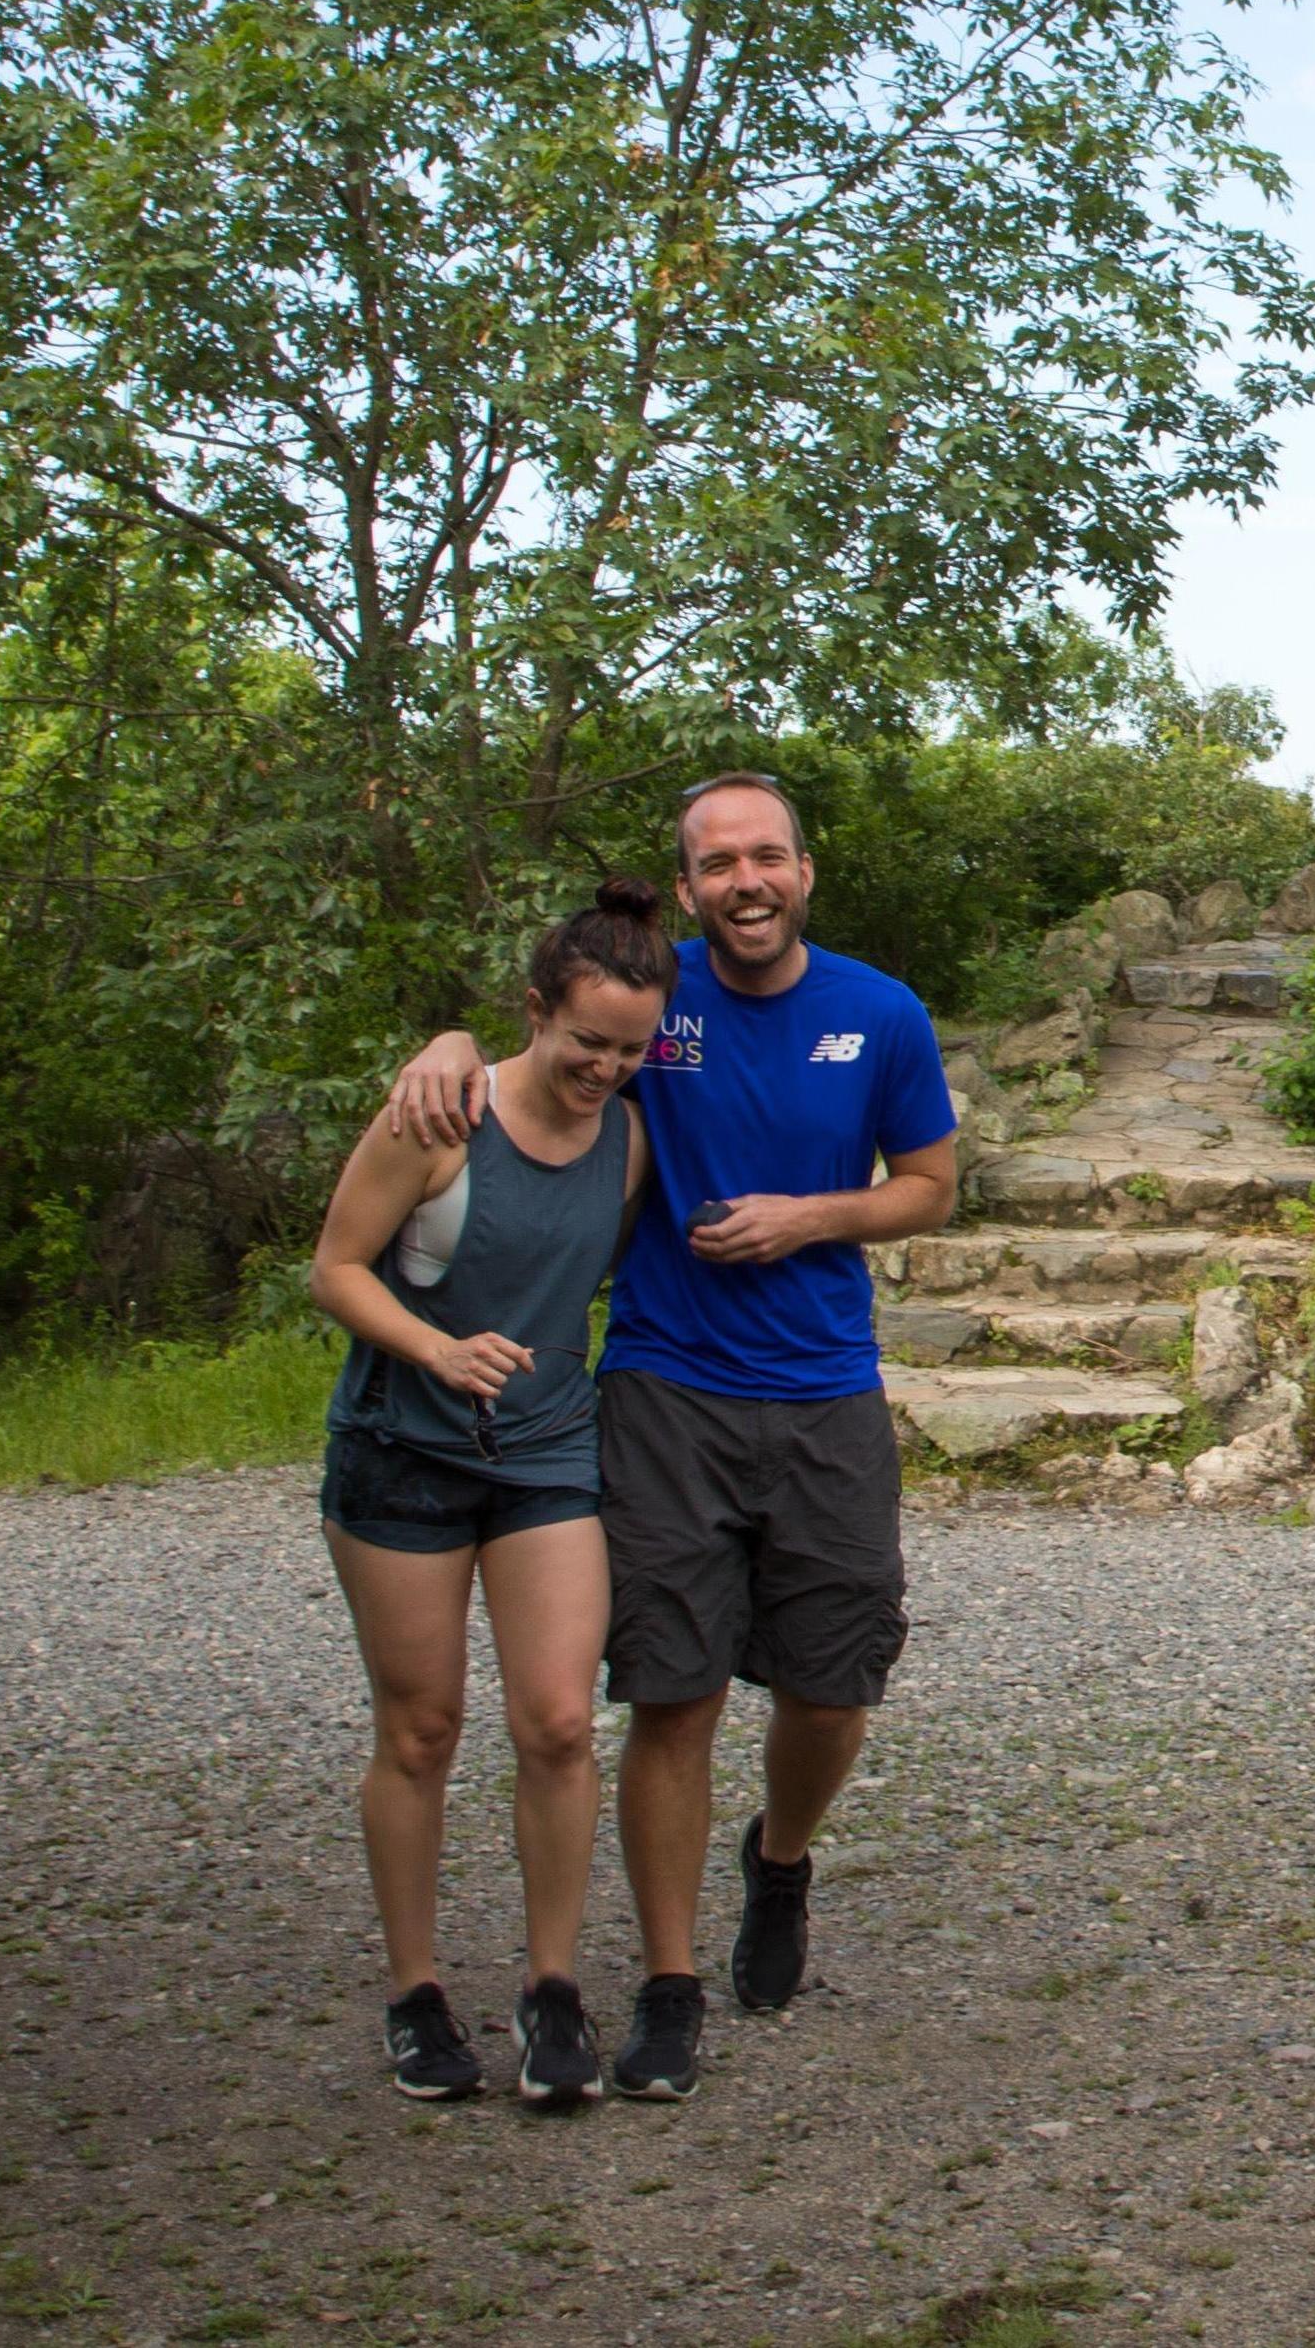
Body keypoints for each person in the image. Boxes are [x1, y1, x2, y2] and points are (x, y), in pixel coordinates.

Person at [382, 773, 957, 2104]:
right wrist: (447, 1038)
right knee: (673, 1691)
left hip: (822, 1387)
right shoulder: (659, 995)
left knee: (833, 1680)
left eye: (768, 856)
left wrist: (805, 1218)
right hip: (662, 1387)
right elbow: (543, 1036)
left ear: (805, 870)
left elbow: (929, 1186)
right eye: (718, 862)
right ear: (687, 882)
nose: (745, 879)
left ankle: (782, 1856)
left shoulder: (880, 1013)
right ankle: (668, 1981)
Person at [310, 877, 676, 2109]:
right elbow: (337, 1266)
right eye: (585, 1042)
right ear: (535, 1011)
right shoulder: (439, 1115)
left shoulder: (627, 1137)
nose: (604, 1068)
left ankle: (552, 1984)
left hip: (543, 1449)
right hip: (402, 1448)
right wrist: (434, 1346)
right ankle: (415, 1992)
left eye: (629, 1049)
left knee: (560, 1721)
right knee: (420, 1728)